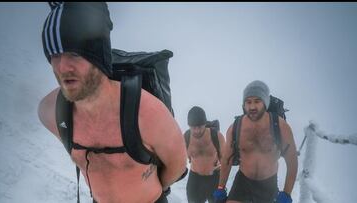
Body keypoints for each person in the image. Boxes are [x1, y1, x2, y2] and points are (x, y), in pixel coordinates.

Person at [37, 2, 187, 203]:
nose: (63, 67)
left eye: (74, 53)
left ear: (97, 55)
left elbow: (177, 166)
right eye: (54, 55)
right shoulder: (51, 112)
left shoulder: (147, 113)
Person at [214, 80, 298, 203]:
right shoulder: (235, 128)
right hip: (243, 183)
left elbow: (292, 161)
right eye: (248, 102)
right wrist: (220, 188)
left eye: (257, 101)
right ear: (243, 105)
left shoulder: (280, 126)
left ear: (265, 103)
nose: (252, 107)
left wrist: (286, 193)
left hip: (268, 184)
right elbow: (227, 160)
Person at [184, 106, 225, 203]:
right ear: (189, 125)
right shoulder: (186, 138)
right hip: (195, 180)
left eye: (200, 127)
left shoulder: (216, 136)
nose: (197, 130)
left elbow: (225, 162)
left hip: (214, 179)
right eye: (194, 127)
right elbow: (179, 160)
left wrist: (221, 186)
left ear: (205, 124)